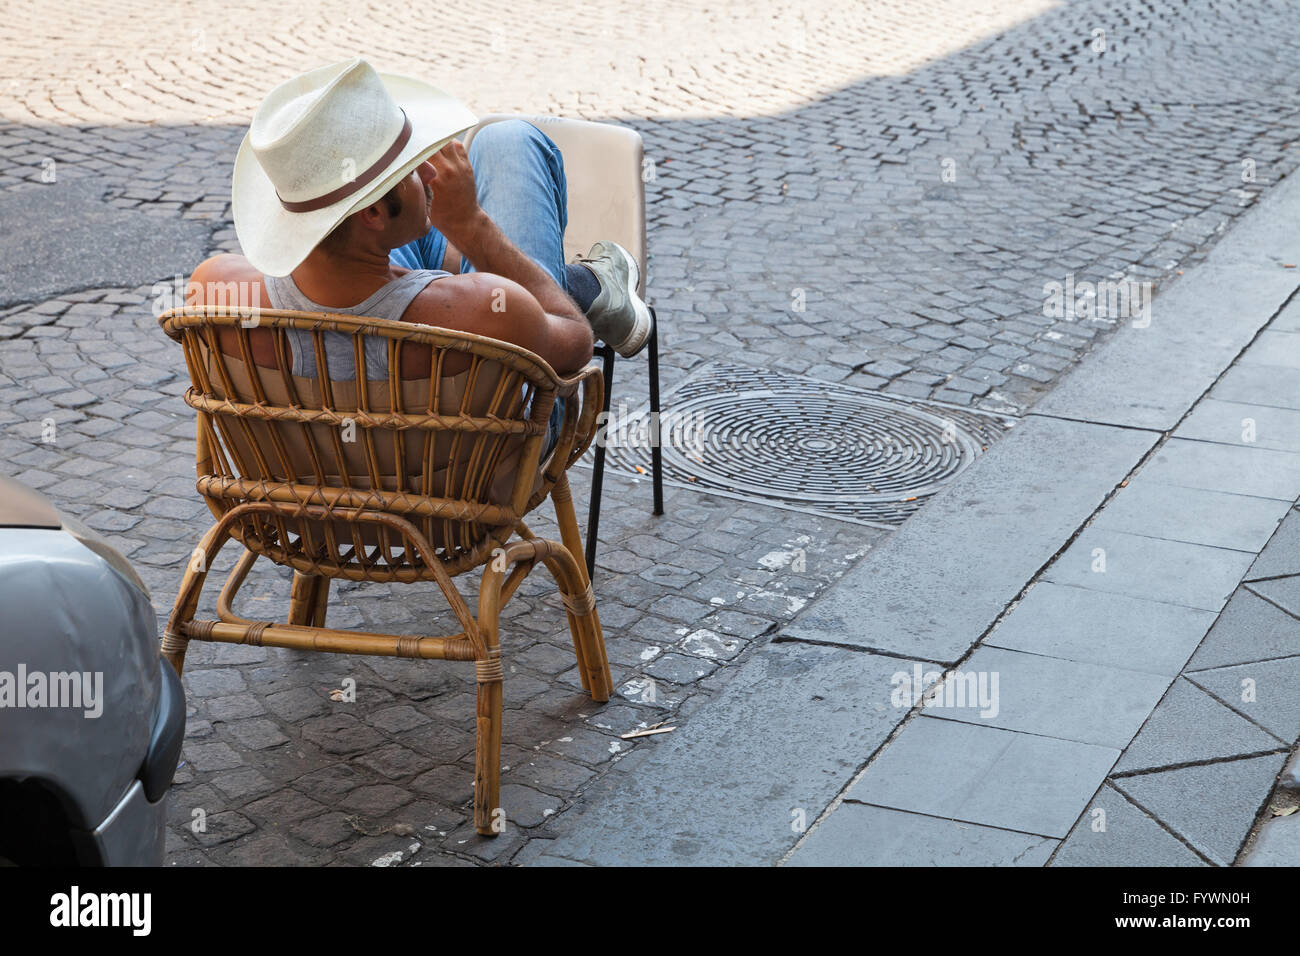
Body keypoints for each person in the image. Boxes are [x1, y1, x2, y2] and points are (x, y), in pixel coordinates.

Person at [188, 57, 651, 422]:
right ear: (372, 211)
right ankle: (590, 286)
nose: (429, 171)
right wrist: (471, 226)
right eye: (410, 167)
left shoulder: (213, 292)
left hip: (303, 491)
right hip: (476, 477)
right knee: (506, 141)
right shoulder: (488, 309)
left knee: (361, 253)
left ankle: (582, 281)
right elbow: (574, 341)